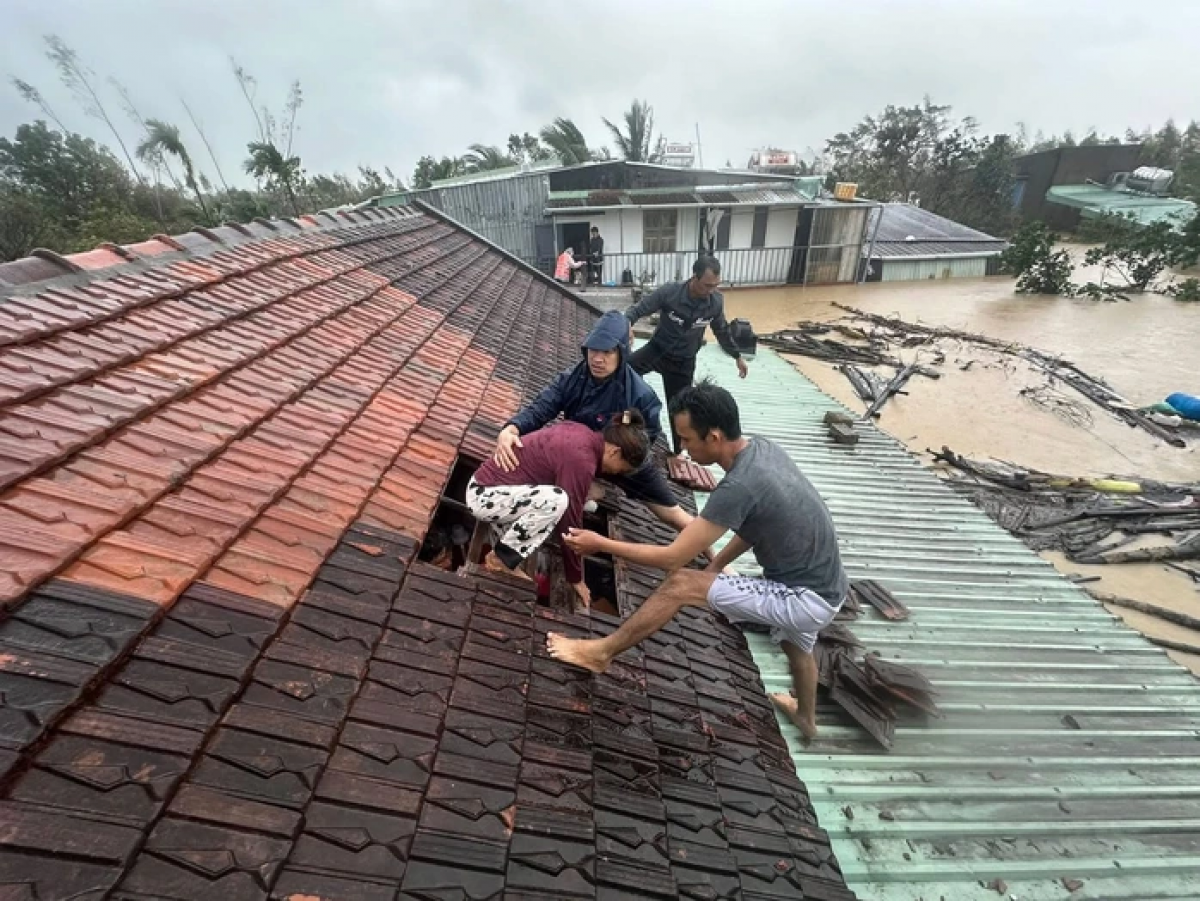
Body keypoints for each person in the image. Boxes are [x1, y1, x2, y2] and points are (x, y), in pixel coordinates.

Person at [549, 380, 847, 743]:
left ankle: (601, 652)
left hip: (804, 597)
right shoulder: (763, 450)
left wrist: (601, 543)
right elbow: (753, 528)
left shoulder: (740, 485)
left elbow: (674, 557)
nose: (683, 449)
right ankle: (807, 720)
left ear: (715, 437)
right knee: (796, 647)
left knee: (680, 584)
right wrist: (715, 567)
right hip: (829, 587)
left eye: (687, 439)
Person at [493, 310, 695, 535]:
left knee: (673, 514)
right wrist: (512, 428)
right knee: (531, 469)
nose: (598, 359)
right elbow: (542, 407)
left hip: (623, 460)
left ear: (621, 352)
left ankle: (712, 552)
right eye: (593, 350)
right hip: (582, 457)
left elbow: (649, 437)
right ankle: (589, 488)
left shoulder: (640, 396)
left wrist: (621, 459)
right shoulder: (572, 379)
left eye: (607, 352)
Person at [468, 411, 649, 608]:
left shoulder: (582, 433)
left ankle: (505, 545)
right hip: (484, 497)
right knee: (559, 500)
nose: (615, 472)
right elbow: (570, 521)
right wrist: (575, 577)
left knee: (582, 502)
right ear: (615, 452)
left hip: (494, 489)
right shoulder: (582, 460)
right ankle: (501, 559)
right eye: (621, 468)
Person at [625, 256, 749, 454]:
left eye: (715, 286)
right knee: (622, 373)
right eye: (707, 285)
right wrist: (627, 325)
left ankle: (677, 453)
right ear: (694, 277)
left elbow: (722, 331)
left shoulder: (715, 302)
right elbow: (638, 309)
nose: (711, 290)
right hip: (657, 350)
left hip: (684, 362)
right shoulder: (670, 292)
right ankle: (627, 422)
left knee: (681, 411)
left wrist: (737, 356)